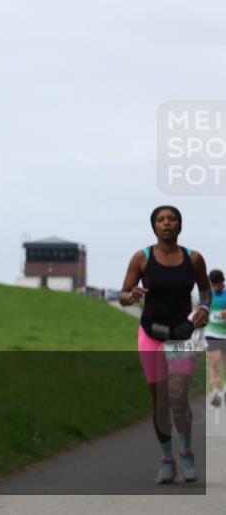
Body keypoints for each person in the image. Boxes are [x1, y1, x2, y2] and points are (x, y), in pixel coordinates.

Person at [119, 205, 212, 484]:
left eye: (172, 219)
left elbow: (204, 288)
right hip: (150, 334)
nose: (167, 223)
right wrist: (131, 295)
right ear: (154, 227)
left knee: (178, 396)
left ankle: (186, 453)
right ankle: (167, 460)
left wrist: (205, 307)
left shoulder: (193, 259)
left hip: (182, 335)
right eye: (161, 220)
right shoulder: (142, 258)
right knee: (160, 402)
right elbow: (123, 293)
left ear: (180, 225)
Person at [206, 269, 226, 406]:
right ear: (211, 284)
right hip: (212, 334)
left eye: (220, 284)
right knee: (214, 363)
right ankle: (216, 394)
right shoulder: (208, 296)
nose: (218, 287)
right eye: (215, 285)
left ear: (223, 282)